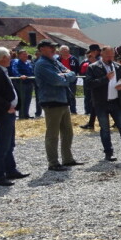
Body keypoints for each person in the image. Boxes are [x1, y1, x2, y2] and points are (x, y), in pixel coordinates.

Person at [34, 39, 83, 172]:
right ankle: (53, 163)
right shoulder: (42, 64)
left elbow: (72, 73)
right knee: (53, 134)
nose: (54, 50)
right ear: (42, 49)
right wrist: (65, 76)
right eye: (51, 47)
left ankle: (67, 159)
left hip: (62, 100)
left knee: (68, 132)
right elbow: (57, 80)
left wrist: (65, 75)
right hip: (51, 102)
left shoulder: (54, 61)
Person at [0, 47, 30, 186]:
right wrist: (7, 107)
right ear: (3, 58)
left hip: (7, 113)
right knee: (2, 145)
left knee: (9, 143)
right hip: (2, 114)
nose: (11, 58)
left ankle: (10, 170)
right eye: (9, 56)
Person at [86, 47, 121, 162]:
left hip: (117, 103)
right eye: (107, 56)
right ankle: (109, 153)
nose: (110, 58)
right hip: (101, 104)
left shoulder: (118, 66)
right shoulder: (93, 67)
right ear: (102, 54)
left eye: (112, 56)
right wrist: (105, 79)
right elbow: (89, 84)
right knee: (105, 129)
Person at [79, 45, 101, 129]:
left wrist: (93, 61)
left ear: (94, 51)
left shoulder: (100, 59)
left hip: (100, 84)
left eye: (91, 51)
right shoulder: (97, 58)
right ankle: (91, 123)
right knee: (94, 105)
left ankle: (116, 123)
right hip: (96, 85)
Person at [8, 49, 35, 119]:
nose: (25, 56)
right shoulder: (16, 62)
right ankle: (22, 115)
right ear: (19, 56)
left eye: (26, 54)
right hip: (21, 83)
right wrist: (20, 75)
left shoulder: (29, 63)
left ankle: (26, 114)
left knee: (28, 99)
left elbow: (32, 71)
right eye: (23, 54)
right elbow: (14, 70)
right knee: (22, 99)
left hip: (29, 83)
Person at [57, 45, 81, 114]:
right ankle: (64, 111)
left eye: (66, 50)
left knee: (72, 95)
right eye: (63, 50)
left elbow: (77, 69)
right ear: (60, 51)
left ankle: (73, 110)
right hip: (61, 81)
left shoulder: (74, 59)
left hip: (71, 81)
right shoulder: (57, 60)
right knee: (63, 96)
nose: (65, 51)